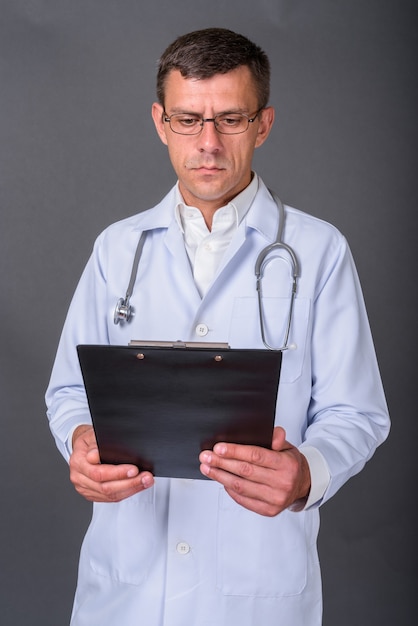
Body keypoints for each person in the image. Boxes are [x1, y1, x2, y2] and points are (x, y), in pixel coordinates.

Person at [46, 27, 390, 626]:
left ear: (263, 124)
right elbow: (70, 393)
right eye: (188, 119)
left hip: (255, 592)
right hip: (126, 590)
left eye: (231, 118)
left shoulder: (319, 250)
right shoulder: (116, 249)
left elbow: (356, 413)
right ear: (160, 122)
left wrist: (307, 471)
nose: (208, 142)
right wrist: (80, 442)